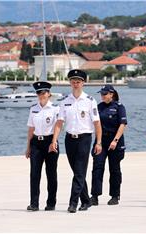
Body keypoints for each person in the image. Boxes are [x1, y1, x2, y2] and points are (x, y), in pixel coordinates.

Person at [50, 69, 102, 213]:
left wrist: (98, 142)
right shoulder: (65, 101)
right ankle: (86, 200)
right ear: (70, 83)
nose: (75, 84)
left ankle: (73, 203)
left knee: (79, 172)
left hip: (84, 138)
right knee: (77, 172)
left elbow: (97, 123)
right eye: (73, 81)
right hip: (69, 139)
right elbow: (59, 123)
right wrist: (54, 140)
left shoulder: (90, 101)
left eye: (78, 81)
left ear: (83, 83)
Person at [90, 85, 127, 206]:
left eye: (105, 94)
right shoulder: (98, 107)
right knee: (97, 167)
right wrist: (98, 142)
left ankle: (115, 196)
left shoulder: (119, 107)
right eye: (101, 94)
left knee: (114, 169)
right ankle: (94, 196)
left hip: (115, 141)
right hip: (101, 140)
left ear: (111, 94)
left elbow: (123, 124)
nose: (102, 96)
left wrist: (115, 140)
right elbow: (95, 124)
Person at [25, 81, 60, 211]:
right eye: (38, 93)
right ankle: (34, 203)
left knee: (51, 174)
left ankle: (51, 203)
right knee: (34, 174)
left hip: (50, 142)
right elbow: (30, 129)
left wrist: (54, 142)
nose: (41, 95)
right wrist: (28, 147)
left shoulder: (55, 108)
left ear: (49, 94)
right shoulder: (33, 109)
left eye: (43, 92)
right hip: (36, 143)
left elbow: (58, 127)